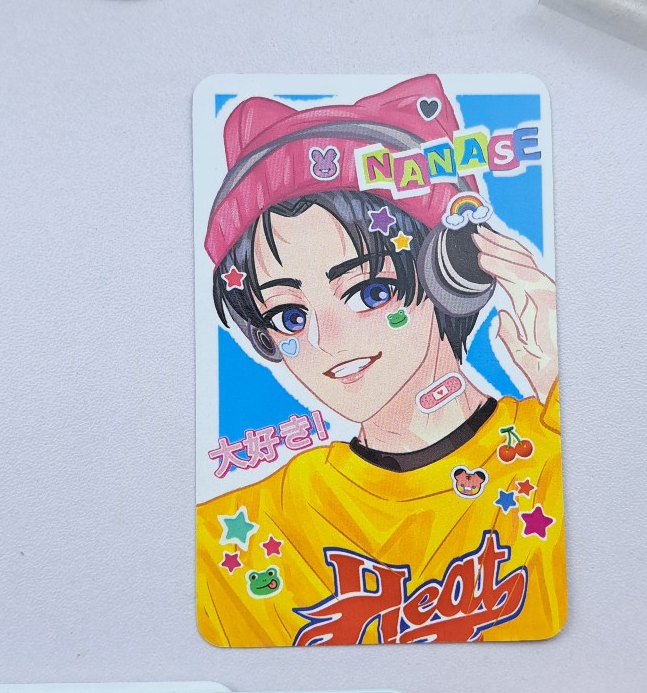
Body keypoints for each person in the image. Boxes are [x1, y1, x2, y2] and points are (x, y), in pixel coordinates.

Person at [196, 76, 564, 645]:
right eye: (290, 317)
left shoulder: (555, 455)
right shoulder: (243, 534)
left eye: (369, 292)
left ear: (452, 275)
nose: (327, 341)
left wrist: (565, 387)